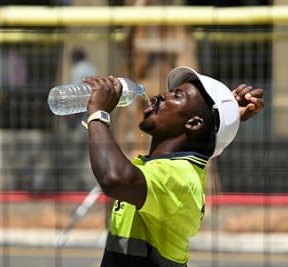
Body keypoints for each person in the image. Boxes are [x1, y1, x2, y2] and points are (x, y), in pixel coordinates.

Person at [82, 66, 264, 267]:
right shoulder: (165, 168)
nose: (161, 95)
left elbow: (115, 178)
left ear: (194, 123)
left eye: (177, 96)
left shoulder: (180, 177)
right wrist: (225, 112)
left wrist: (98, 114)